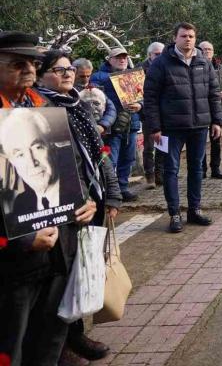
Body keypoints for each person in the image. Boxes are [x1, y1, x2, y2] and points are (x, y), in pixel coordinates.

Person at [0, 31, 97, 366]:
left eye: (32, 63)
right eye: (18, 63)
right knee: (11, 345)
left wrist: (84, 201)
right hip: (13, 265)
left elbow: (71, 166)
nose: (29, 69)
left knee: (50, 340)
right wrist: (22, 241)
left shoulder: (46, 108)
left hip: (59, 252)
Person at [36, 50, 122, 366]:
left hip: (92, 195)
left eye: (69, 68)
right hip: (65, 203)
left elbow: (99, 153)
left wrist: (112, 194)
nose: (68, 74)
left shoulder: (78, 104)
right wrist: (78, 198)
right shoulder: (39, 109)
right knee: (62, 275)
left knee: (84, 267)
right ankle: (61, 343)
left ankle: (77, 333)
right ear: (41, 76)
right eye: (58, 70)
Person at [143, 22, 222, 233]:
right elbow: (150, 98)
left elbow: (213, 94)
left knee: (196, 169)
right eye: (184, 36)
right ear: (175, 38)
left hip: (199, 126)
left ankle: (194, 210)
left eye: (191, 36)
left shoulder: (204, 62)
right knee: (171, 170)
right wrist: (155, 128)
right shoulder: (161, 63)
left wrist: (217, 121)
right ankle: (174, 214)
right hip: (171, 128)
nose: (188, 39)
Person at [91, 47, 142, 202]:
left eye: (124, 58)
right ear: (109, 60)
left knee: (128, 158)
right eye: (118, 57)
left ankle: (123, 188)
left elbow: (144, 95)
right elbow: (94, 98)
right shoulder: (99, 77)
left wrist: (140, 105)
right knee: (109, 160)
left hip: (131, 124)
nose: (122, 60)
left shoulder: (134, 76)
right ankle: (108, 191)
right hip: (111, 126)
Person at [199, 41, 222, 180]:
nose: (207, 51)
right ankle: (201, 170)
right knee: (200, 141)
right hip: (200, 109)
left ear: (213, 52)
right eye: (204, 49)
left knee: (216, 140)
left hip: (216, 109)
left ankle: (216, 169)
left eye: (209, 49)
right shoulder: (195, 67)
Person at [138, 43, 165, 190]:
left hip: (164, 112)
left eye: (162, 53)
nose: (160, 56)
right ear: (149, 55)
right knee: (149, 146)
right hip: (148, 113)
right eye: (157, 54)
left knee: (162, 145)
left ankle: (160, 174)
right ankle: (150, 176)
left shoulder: (166, 66)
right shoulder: (140, 70)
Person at [72, 58, 116, 136]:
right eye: (82, 76)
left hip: (99, 132)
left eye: (88, 76)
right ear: (73, 73)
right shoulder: (68, 90)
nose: (85, 79)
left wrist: (103, 125)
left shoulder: (96, 87)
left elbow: (111, 109)